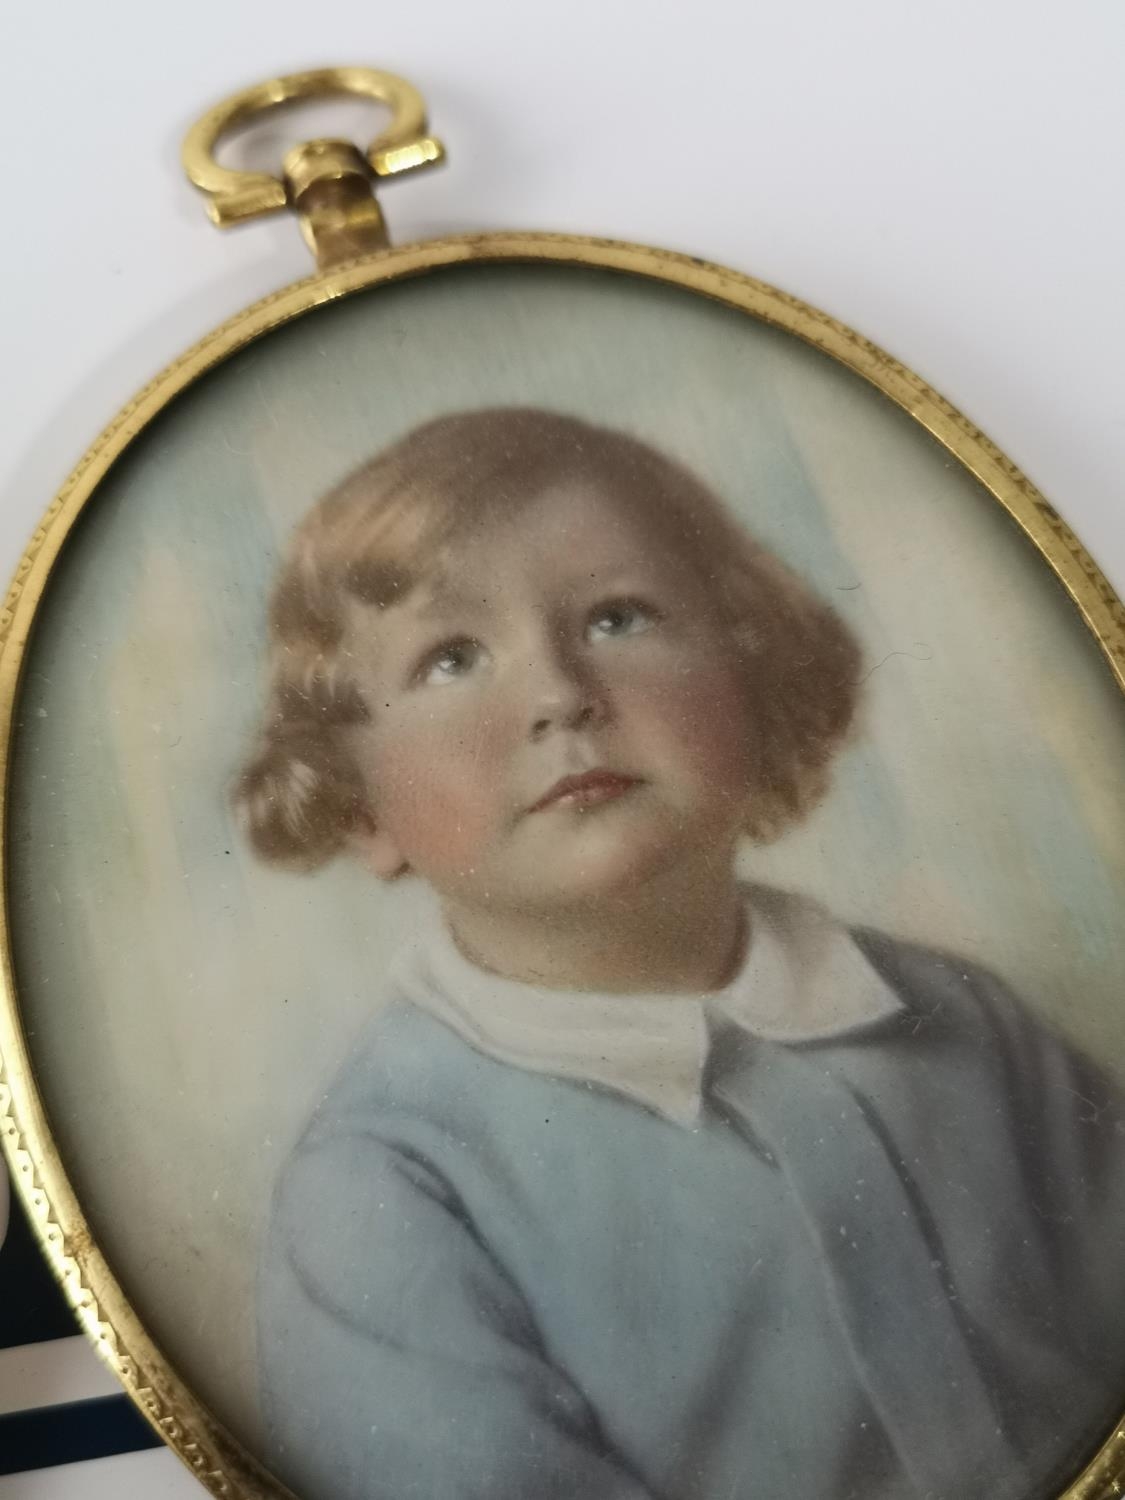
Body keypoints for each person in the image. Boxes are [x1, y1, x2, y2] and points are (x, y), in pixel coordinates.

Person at [235, 407, 1125, 1500]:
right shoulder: (388, 1187)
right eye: (452, 656)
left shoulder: (960, 1022)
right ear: (357, 805)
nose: (563, 695)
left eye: (617, 618)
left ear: (757, 682)